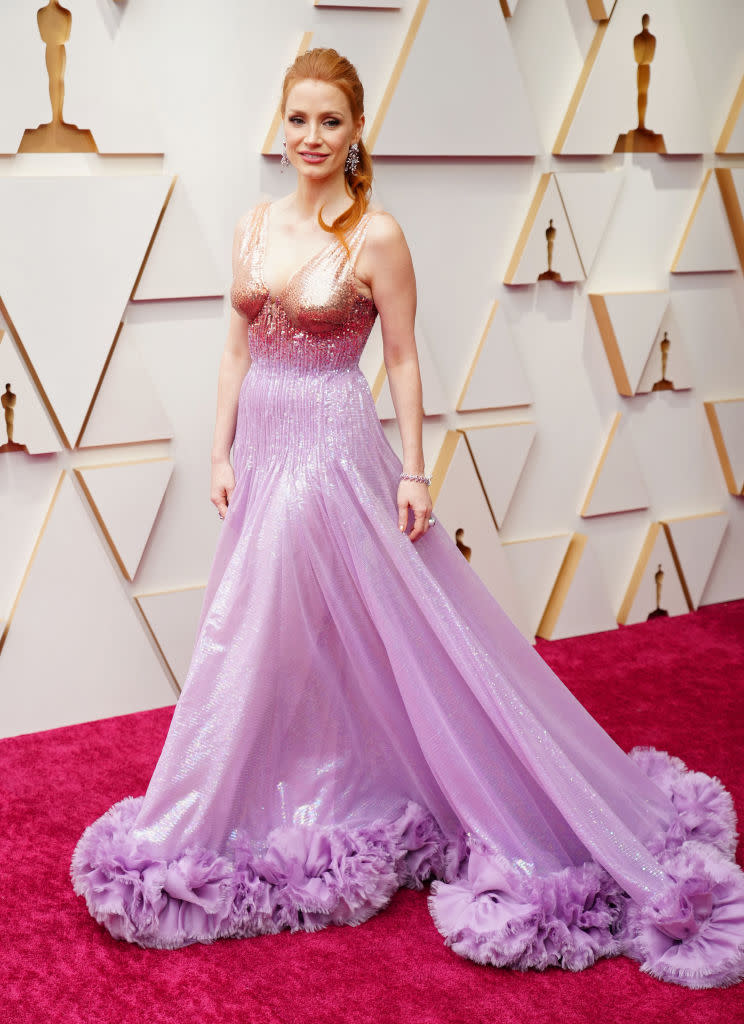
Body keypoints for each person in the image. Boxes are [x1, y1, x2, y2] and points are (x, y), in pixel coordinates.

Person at [70, 48, 744, 989]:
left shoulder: (377, 234)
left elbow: (404, 359)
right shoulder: (254, 225)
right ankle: (284, 788)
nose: (310, 137)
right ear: (283, 124)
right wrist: (219, 451)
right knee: (267, 628)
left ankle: (223, 810)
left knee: (277, 628)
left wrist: (418, 471)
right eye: (297, 119)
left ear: (356, 134)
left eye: (329, 122)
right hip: (262, 442)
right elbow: (232, 351)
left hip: (332, 443)